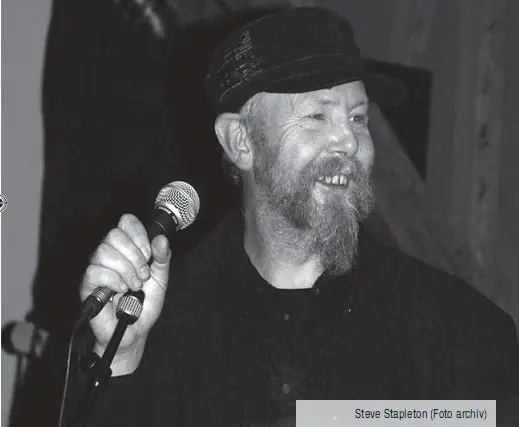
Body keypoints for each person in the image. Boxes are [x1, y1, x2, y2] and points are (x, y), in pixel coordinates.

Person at [72, 7, 519, 427]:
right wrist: (121, 359)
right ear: (241, 141)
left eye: (358, 118)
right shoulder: (159, 328)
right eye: (317, 115)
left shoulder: (456, 329)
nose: (350, 142)